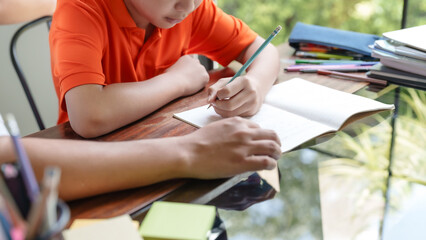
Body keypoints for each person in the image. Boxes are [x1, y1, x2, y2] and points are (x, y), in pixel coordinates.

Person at [50, 0, 280, 138]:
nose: (187, 7)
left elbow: (262, 49)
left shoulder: (190, 9)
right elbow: (89, 116)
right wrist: (177, 81)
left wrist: (256, 86)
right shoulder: (80, 7)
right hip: (97, 161)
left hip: (167, 141)